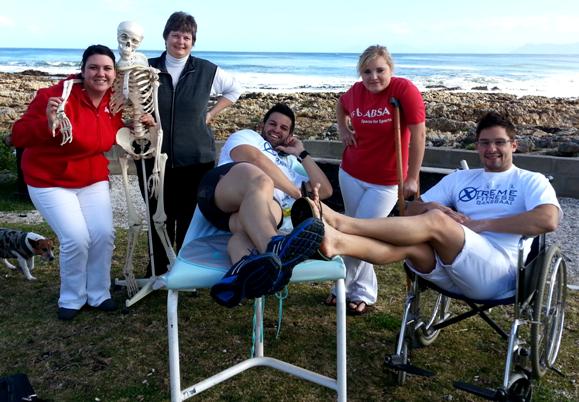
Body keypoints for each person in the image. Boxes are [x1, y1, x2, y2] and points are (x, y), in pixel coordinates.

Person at [303, 111, 561, 301]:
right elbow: (412, 210)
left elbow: (548, 219)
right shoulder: (462, 178)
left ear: (513, 145)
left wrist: (482, 224)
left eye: (499, 142)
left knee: (437, 221)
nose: (491, 148)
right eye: (484, 142)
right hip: (449, 267)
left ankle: (341, 222)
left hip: (495, 273)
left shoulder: (530, 180)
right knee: (414, 244)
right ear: (477, 146)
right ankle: (337, 243)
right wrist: (435, 207)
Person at [11, 45, 124, 321]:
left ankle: (98, 294)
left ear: (114, 73)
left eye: (107, 68)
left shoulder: (114, 101)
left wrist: (135, 126)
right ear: (82, 71)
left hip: (91, 177)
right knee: (76, 237)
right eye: (93, 67)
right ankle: (72, 298)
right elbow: (18, 135)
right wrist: (47, 123)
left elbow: (112, 131)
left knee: (103, 234)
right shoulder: (55, 96)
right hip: (49, 179)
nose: (100, 73)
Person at [196, 103, 333, 307]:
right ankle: (276, 246)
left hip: (241, 218)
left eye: (284, 128)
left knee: (251, 231)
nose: (276, 129)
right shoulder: (248, 137)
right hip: (222, 192)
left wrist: (302, 153)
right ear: (262, 125)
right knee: (262, 180)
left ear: (290, 135)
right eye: (272, 124)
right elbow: (253, 159)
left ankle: (239, 276)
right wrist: (296, 193)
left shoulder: (288, 166)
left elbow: (326, 190)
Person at [139, 11, 243, 276]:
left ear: (193, 42)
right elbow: (126, 95)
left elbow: (235, 90)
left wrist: (211, 113)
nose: (181, 42)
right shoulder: (147, 69)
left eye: (186, 37)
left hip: (196, 158)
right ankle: (157, 267)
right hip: (153, 156)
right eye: (176, 35)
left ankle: (186, 268)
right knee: (157, 215)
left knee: (189, 216)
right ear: (166, 38)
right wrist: (137, 116)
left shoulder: (206, 70)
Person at [331, 45, 426, 314]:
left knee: (360, 232)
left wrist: (412, 176)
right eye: (367, 71)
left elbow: (419, 134)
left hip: (386, 181)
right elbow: (341, 105)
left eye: (380, 70)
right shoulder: (355, 92)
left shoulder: (403, 90)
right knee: (354, 230)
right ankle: (362, 291)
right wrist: (343, 128)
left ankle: (340, 286)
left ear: (390, 69)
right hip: (351, 172)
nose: (373, 77)